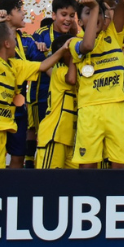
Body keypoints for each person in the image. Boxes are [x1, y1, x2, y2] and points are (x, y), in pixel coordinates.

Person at [0, 13, 68, 169]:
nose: (16, 42)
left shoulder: (17, 65)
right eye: (13, 39)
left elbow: (43, 66)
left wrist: (62, 50)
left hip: (1, 133)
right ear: (7, 43)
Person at [71, 0, 124, 169]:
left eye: (99, 12)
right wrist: (95, 7)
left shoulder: (113, 35)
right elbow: (87, 45)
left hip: (116, 109)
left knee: (121, 168)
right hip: (90, 110)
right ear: (80, 22)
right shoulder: (74, 43)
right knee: (88, 170)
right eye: (87, 13)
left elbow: (123, 1)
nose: (95, 15)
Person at [30, 0, 78, 153]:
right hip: (43, 93)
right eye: (63, 15)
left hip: (66, 96)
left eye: (72, 15)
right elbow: (36, 62)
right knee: (43, 136)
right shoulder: (41, 34)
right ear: (54, 15)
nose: (68, 19)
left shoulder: (76, 36)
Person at [36, 33, 78, 169]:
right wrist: (74, 55)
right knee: (49, 185)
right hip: (54, 136)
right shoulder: (60, 71)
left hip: (71, 139)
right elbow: (71, 80)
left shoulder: (77, 72)